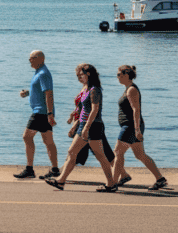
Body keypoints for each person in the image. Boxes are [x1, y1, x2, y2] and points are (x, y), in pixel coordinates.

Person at [45, 63, 114, 191]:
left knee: (100, 155)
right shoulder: (86, 88)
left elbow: (95, 110)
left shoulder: (95, 89)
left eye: (81, 74)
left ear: (88, 74)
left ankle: (111, 183)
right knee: (73, 152)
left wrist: (86, 128)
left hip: (93, 126)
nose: (79, 77)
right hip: (84, 125)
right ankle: (61, 181)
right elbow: (82, 109)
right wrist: (75, 123)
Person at [106, 65, 168, 191]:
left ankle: (112, 184)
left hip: (130, 127)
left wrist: (137, 130)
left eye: (119, 75)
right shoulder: (128, 89)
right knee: (140, 155)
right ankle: (160, 179)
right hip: (131, 126)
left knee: (118, 152)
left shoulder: (131, 90)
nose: (117, 77)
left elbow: (136, 110)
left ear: (126, 75)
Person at [15, 50, 59, 179]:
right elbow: (40, 90)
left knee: (27, 137)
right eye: (29, 58)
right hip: (43, 112)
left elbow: (49, 93)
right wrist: (28, 93)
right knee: (48, 141)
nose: (29, 61)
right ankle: (55, 169)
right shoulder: (39, 72)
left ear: (40, 59)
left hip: (41, 112)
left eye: (32, 58)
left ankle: (29, 169)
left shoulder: (43, 73)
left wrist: (50, 113)